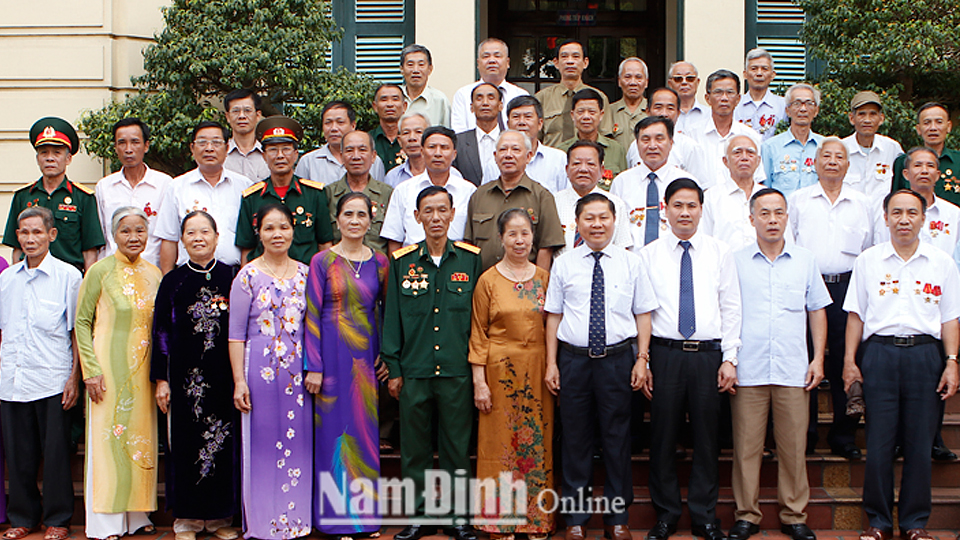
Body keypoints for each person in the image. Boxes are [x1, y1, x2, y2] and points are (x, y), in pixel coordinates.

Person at [842, 189, 960, 540]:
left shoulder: (941, 262)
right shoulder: (868, 261)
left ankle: (914, 523)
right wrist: (850, 362)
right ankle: (878, 522)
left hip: (926, 355)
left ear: (924, 219)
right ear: (886, 217)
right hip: (879, 354)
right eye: (897, 213)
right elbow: (855, 316)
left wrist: (952, 361)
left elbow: (950, 318)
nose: (904, 219)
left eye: (912, 213)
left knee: (919, 444)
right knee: (878, 442)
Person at [544, 193, 657, 540]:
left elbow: (643, 313)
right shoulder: (564, 263)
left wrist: (642, 358)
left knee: (617, 439)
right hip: (574, 361)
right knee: (575, 440)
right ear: (576, 223)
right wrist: (552, 363)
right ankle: (575, 520)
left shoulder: (631, 262)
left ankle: (616, 517)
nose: (596, 224)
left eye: (603, 218)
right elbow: (553, 316)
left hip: (618, 360)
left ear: (614, 221)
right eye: (589, 218)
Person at [640, 179, 741, 540]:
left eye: (692, 206)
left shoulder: (720, 251)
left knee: (706, 438)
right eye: (678, 205)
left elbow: (731, 306)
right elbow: (644, 312)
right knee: (663, 437)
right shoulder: (648, 254)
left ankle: (704, 516)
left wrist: (730, 358)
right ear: (664, 208)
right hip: (665, 354)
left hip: (707, 356)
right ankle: (666, 515)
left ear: (701, 209)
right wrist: (645, 359)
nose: (685, 213)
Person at [728, 188, 829, 540]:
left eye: (779, 213)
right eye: (764, 213)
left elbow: (816, 310)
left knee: (792, 447)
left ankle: (794, 515)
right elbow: (729, 311)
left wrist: (817, 357)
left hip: (792, 368)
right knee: (746, 449)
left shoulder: (805, 260)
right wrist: (730, 359)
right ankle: (746, 515)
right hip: (749, 368)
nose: (772, 220)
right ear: (751, 217)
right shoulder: (736, 260)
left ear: (787, 217)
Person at [381, 186, 482, 540]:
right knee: (415, 450)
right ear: (417, 216)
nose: (436, 218)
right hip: (415, 371)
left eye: (442, 210)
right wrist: (394, 369)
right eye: (429, 211)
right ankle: (420, 516)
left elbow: (478, 321)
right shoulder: (402, 262)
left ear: (453, 214)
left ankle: (457, 517)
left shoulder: (471, 260)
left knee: (456, 447)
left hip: (456, 370)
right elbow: (392, 318)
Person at [151, 210, 239, 540]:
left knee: (222, 441)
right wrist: (161, 379)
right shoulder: (172, 281)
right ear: (182, 240)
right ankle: (186, 519)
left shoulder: (232, 276)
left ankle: (218, 519)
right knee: (185, 446)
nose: (198, 238)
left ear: (218, 238)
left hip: (224, 377)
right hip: (186, 381)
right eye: (191, 233)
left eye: (205, 232)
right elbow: (160, 331)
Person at [305, 193, 389, 535]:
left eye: (361, 214)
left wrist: (385, 353)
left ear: (371, 220)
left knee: (363, 435)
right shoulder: (322, 261)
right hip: (329, 355)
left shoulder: (381, 263)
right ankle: (334, 518)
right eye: (348, 214)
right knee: (331, 437)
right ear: (337, 219)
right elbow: (310, 313)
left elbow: (385, 311)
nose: (355, 220)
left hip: (365, 361)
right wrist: (313, 364)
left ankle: (364, 518)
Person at [76, 206, 162, 540]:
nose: (133, 237)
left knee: (140, 440)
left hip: (143, 374)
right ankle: (106, 523)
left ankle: (137, 515)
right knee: (108, 440)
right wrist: (90, 370)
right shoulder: (99, 271)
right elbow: (82, 322)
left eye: (139, 230)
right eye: (126, 231)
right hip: (107, 371)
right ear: (114, 235)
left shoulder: (154, 273)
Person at [228, 203, 312, 540]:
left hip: (298, 373)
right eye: (269, 228)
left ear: (293, 230)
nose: (277, 234)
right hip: (258, 371)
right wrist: (238, 381)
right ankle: (262, 523)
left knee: (299, 444)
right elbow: (235, 335)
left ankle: (296, 520)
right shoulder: (246, 276)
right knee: (261, 446)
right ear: (259, 233)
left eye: (283, 227)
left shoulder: (307, 274)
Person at [470, 208, 555, 540]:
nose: (519, 240)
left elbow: (554, 328)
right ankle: (500, 520)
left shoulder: (545, 279)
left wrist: (553, 367)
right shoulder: (487, 281)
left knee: (536, 442)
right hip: (498, 371)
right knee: (499, 444)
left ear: (533, 237)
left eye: (525, 234)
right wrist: (480, 382)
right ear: (501, 238)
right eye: (512, 234)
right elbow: (478, 334)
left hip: (537, 370)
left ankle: (536, 519)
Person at [788, 137, 873, 459]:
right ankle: (805, 434)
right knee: (805, 358)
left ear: (848, 165)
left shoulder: (862, 203)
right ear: (815, 162)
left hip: (848, 287)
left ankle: (843, 435)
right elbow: (790, 244)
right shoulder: (798, 200)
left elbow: (870, 250)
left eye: (840, 157)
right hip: (808, 286)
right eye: (827, 156)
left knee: (844, 361)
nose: (833, 161)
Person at [0, 206, 80, 540]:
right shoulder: (6, 279)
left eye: (37, 232)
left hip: (52, 378)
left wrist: (75, 377)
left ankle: (58, 520)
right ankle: (22, 517)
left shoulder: (68, 276)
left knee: (57, 454)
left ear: (52, 234)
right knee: (19, 454)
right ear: (16, 236)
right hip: (12, 378)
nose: (30, 239)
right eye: (24, 232)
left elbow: (77, 332)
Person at [877, 147, 960, 462]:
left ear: (939, 175)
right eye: (917, 166)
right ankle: (899, 440)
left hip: (938, 296)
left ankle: (933, 438)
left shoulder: (953, 213)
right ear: (906, 173)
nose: (924, 171)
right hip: (897, 295)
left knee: (935, 371)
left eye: (931, 166)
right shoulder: (892, 209)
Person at [3, 116, 104, 271]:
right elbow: (17, 249)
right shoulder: (23, 196)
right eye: (44, 153)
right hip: (30, 275)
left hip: (69, 277)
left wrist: (86, 288)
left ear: (68, 158)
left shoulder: (83, 198)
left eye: (56, 153)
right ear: (38, 159)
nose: (50, 158)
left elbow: (89, 251)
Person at [155, 121, 253, 273]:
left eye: (216, 142)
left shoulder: (244, 186)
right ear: (192, 149)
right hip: (188, 274)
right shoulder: (176, 187)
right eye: (202, 142)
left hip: (233, 275)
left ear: (227, 148)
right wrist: (168, 282)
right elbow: (169, 239)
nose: (209, 148)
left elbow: (250, 240)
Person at [235, 116, 334, 265]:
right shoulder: (252, 197)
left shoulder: (314, 194)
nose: (280, 156)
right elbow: (247, 249)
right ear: (264, 156)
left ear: (296, 154)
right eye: (273, 150)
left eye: (286, 149)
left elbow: (325, 245)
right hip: (264, 280)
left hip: (305, 279)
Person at [463, 130, 565, 271]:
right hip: (483, 284)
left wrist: (538, 284)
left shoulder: (542, 196)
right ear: (495, 156)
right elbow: (469, 245)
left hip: (525, 286)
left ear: (528, 156)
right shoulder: (479, 195)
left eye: (516, 149)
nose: (508, 155)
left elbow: (546, 247)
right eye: (503, 149)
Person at [380, 126, 477, 254]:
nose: (437, 153)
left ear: (454, 154)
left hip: (457, 263)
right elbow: (394, 240)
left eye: (444, 148)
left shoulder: (469, 191)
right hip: (413, 266)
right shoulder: (403, 190)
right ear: (422, 152)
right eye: (432, 147)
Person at [96, 117, 173, 268]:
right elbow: (102, 237)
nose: (128, 149)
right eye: (122, 143)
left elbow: (168, 236)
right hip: (113, 271)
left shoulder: (165, 184)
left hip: (152, 270)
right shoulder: (104, 187)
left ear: (146, 146)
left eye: (135, 142)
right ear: (115, 147)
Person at [611, 117, 691, 250]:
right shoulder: (621, 182)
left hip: (672, 260)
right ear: (637, 144)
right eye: (645, 139)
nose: (652, 146)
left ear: (671, 143)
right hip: (631, 261)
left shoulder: (686, 182)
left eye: (659, 139)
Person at [555, 141, 632, 255]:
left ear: (602, 170)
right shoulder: (553, 202)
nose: (583, 169)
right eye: (576, 163)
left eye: (590, 164)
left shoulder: (615, 203)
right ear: (567, 169)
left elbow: (622, 248)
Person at [690, 70, 763, 190]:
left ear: (738, 99)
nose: (724, 98)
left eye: (730, 93)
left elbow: (757, 178)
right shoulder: (692, 134)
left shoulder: (751, 136)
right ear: (707, 98)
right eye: (718, 92)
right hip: (701, 203)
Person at [326, 130, 394, 253]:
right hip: (340, 268)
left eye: (362, 150)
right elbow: (324, 240)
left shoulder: (388, 194)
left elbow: (393, 241)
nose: (356, 156)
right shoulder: (328, 194)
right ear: (341, 157)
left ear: (373, 156)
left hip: (377, 267)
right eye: (349, 150)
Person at [535, 40, 612, 147]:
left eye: (575, 56)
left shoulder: (599, 97)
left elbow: (605, 138)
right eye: (564, 57)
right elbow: (534, 138)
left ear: (585, 62)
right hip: (553, 161)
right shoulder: (541, 98)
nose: (570, 61)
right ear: (556, 63)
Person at [627, 87, 711, 183]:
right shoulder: (635, 146)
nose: (664, 113)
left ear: (678, 113)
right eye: (658, 107)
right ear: (647, 111)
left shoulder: (690, 147)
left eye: (670, 108)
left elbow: (699, 185)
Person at [295, 101, 386, 185]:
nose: (334, 128)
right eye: (328, 123)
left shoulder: (373, 161)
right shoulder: (308, 162)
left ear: (353, 125)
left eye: (340, 122)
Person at [702, 135, 765, 253]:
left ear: (758, 161)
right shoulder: (711, 197)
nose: (744, 158)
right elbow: (704, 240)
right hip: (723, 267)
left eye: (750, 153)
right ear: (725, 161)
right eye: (737, 153)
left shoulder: (769, 197)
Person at [451, 38, 528, 133]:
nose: (492, 60)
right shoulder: (463, 94)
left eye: (497, 56)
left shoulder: (520, 95)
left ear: (507, 63)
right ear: (478, 63)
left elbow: (525, 132)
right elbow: (459, 133)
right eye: (486, 56)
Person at [762, 83, 824, 197]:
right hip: (782, 212)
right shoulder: (770, 146)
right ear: (787, 111)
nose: (803, 109)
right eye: (797, 103)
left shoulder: (825, 146)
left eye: (809, 104)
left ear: (816, 111)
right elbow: (765, 188)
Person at [842, 91, 904, 204]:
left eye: (873, 114)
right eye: (861, 114)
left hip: (882, 219)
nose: (867, 120)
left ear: (881, 119)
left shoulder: (892, 148)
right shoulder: (841, 149)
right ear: (852, 118)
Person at [556, 89, 627, 185]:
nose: (586, 117)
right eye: (580, 112)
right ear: (572, 115)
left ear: (601, 115)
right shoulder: (561, 151)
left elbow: (623, 185)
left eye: (592, 112)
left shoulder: (617, 149)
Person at [505, 96, 569, 194]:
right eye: (516, 117)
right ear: (508, 124)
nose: (522, 122)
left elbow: (566, 197)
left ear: (540, 124)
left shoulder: (558, 159)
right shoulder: (496, 161)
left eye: (528, 117)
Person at [453, 82, 503, 186]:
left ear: (500, 106)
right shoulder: (458, 142)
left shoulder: (512, 140)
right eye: (479, 98)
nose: (485, 103)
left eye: (491, 98)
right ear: (471, 107)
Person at [733, 49, 786, 141]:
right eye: (754, 69)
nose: (759, 73)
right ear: (745, 74)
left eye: (764, 69)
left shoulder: (784, 105)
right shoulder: (734, 104)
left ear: (773, 75)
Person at [223, 88, 269, 182]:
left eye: (247, 110)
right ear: (227, 117)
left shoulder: (269, 154)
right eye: (236, 111)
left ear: (258, 115)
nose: (242, 116)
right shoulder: (219, 155)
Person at [400, 44, 451, 128]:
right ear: (402, 69)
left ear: (430, 69)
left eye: (421, 64)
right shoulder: (395, 98)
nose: (415, 70)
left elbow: (447, 134)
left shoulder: (440, 100)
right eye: (410, 64)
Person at [609, 57, 649, 153]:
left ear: (646, 82)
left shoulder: (653, 110)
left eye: (638, 77)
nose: (633, 82)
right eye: (627, 77)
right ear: (619, 81)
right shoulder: (609, 111)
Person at [384, 113, 431, 188]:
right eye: (406, 133)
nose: (412, 138)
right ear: (399, 141)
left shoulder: (445, 173)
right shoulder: (392, 177)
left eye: (418, 132)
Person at [370, 83, 409, 171]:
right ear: (375, 106)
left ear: (404, 106)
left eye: (395, 99)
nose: (390, 104)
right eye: (384, 99)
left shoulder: (413, 140)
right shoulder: (367, 141)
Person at [666, 62, 709, 135]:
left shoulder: (710, 115)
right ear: (670, 84)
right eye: (678, 79)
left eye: (690, 78)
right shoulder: (664, 115)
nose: (684, 82)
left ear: (697, 82)